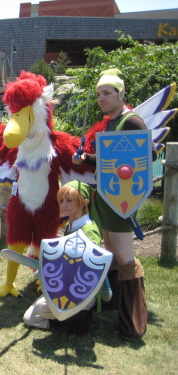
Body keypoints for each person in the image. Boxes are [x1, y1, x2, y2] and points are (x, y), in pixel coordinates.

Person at [72, 68, 153, 340]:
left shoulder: (131, 122)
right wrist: (87, 158)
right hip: (106, 198)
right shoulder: (110, 123)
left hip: (121, 201)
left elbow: (145, 154)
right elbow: (110, 163)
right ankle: (115, 304)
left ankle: (134, 322)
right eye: (98, 94)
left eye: (106, 93)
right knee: (111, 254)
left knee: (125, 258)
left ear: (121, 93)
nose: (101, 98)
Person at [23, 180, 102, 333]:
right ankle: (67, 316)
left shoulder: (89, 230)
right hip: (65, 287)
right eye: (61, 201)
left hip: (81, 290)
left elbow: (91, 267)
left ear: (84, 202)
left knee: (37, 312)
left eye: (69, 200)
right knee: (29, 318)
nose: (63, 205)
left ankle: (79, 318)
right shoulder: (71, 226)